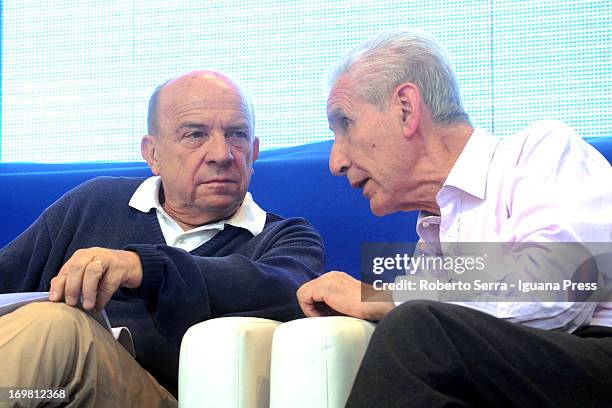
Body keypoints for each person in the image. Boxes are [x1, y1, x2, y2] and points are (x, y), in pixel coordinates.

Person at [296, 30, 612, 407]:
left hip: (596, 354)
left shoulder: (542, 151)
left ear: (406, 109)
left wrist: (382, 298)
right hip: (524, 374)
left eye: (345, 124)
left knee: (416, 333)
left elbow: (558, 294)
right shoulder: (434, 227)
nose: (336, 162)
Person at [0, 71, 325, 406]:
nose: (222, 154)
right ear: (152, 153)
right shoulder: (92, 203)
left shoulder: (284, 237)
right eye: (196, 135)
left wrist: (147, 267)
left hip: (158, 399)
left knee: (58, 327)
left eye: (237, 135)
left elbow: (290, 291)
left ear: (254, 151)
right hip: (49, 392)